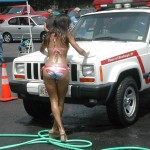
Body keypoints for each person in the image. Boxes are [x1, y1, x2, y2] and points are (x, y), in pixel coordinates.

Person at [40, 14, 90, 142]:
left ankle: (54, 129)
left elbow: (41, 50)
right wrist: (86, 53)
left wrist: (48, 53)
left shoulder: (48, 35)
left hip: (49, 68)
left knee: (53, 100)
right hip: (62, 69)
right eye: (68, 23)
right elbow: (79, 49)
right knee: (61, 101)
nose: (69, 25)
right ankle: (62, 130)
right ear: (65, 24)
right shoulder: (67, 34)